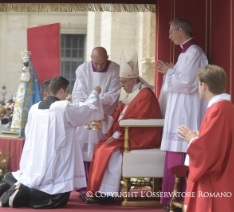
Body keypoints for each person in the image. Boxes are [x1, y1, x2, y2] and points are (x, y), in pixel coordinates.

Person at [0, 76, 104, 209]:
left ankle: (13, 181)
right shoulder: (63, 107)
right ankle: (23, 193)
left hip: (36, 161)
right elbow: (87, 111)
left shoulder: (35, 108)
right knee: (57, 199)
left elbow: (29, 132)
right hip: (56, 165)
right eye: (66, 91)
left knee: (34, 181)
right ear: (60, 91)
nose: (67, 95)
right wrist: (95, 93)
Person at [85, 52, 162, 204]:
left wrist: (119, 125)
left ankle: (106, 194)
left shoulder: (146, 94)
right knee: (100, 146)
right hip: (128, 132)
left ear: (133, 80)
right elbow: (120, 113)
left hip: (141, 136)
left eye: (123, 82)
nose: (121, 86)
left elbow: (141, 117)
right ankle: (95, 191)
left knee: (108, 150)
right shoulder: (134, 93)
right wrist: (107, 118)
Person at [155, 17, 208, 210]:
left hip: (187, 109)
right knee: (173, 151)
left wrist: (169, 72)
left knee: (180, 151)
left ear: (181, 31)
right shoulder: (184, 54)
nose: (169, 36)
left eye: (170, 32)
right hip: (179, 108)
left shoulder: (194, 52)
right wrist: (171, 71)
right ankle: (171, 199)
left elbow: (186, 83)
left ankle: (180, 199)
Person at [177, 65, 234, 212]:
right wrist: (198, 138)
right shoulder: (226, 108)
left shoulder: (218, 110)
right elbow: (216, 143)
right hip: (225, 179)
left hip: (216, 184)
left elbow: (208, 152)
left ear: (204, 85)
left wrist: (192, 141)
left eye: (198, 84)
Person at [72, 47, 121, 195]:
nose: (99, 66)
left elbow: (113, 94)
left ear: (108, 57)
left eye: (102, 63)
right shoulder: (82, 69)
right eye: (96, 63)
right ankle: (85, 184)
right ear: (90, 58)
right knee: (84, 148)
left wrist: (95, 104)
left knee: (101, 148)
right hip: (86, 114)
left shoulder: (115, 69)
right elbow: (78, 92)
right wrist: (88, 107)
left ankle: (100, 184)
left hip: (104, 116)